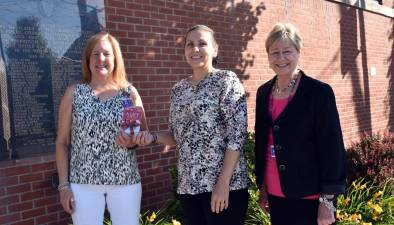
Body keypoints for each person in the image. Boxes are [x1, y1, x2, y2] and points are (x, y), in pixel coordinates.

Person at [135, 25, 249, 225]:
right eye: (190, 44)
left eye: (202, 43)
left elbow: (237, 136)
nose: (195, 49)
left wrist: (222, 183)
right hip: (189, 187)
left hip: (224, 188)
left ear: (215, 49)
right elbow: (176, 136)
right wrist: (152, 137)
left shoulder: (226, 81)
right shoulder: (178, 89)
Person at [254, 22, 346, 225]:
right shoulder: (263, 93)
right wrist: (263, 188)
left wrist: (327, 203)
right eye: (274, 52)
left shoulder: (318, 93)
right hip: (276, 195)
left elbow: (333, 150)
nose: (280, 58)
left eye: (287, 51)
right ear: (268, 55)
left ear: (298, 51)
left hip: (310, 197)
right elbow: (263, 142)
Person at [55, 32, 147, 225]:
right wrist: (64, 186)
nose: (101, 59)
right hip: (83, 184)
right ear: (88, 60)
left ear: (115, 58)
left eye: (106, 53)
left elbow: (140, 135)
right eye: (95, 54)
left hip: (125, 181)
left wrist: (132, 142)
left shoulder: (129, 93)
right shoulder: (74, 94)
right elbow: (62, 142)